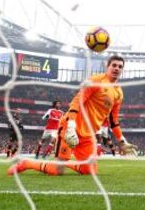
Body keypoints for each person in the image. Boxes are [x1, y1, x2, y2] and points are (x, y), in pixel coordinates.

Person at [8, 56, 137, 176]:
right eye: (114, 65)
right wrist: (71, 126)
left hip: (88, 134)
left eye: (120, 66)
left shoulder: (118, 93)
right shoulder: (96, 81)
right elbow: (77, 101)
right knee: (56, 171)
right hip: (70, 128)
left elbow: (113, 120)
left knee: (90, 170)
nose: (117, 68)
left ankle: (65, 162)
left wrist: (122, 141)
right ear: (107, 67)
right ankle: (26, 163)